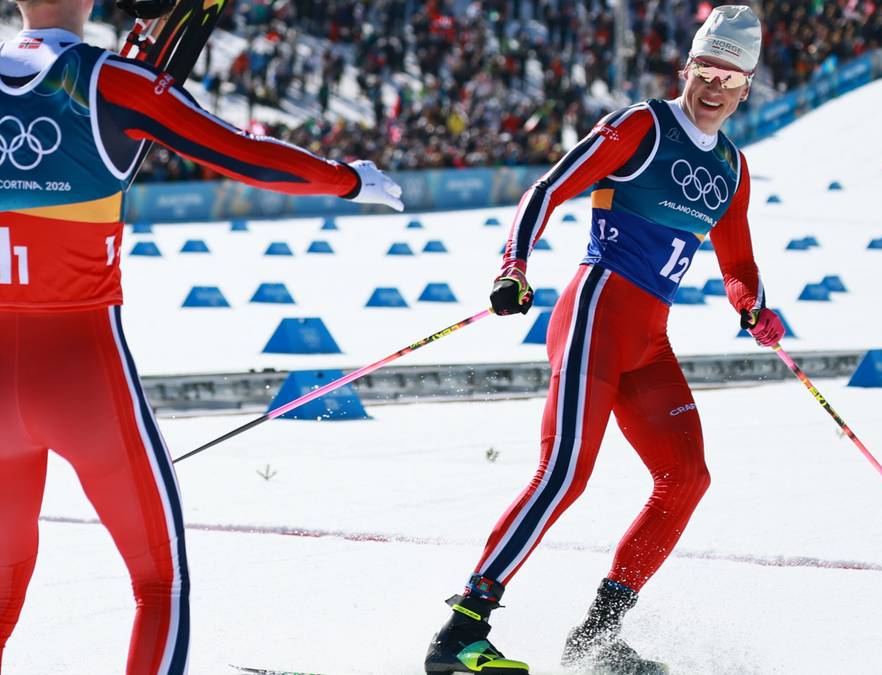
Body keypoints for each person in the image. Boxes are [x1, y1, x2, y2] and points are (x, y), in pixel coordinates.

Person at [0, 0, 404, 672]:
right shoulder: (111, 82)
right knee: (161, 585)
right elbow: (248, 155)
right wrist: (349, 178)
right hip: (82, 369)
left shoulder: (113, 78)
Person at [424, 6, 784, 675]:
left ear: (746, 86)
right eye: (705, 70)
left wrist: (753, 306)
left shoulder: (732, 168)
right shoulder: (643, 125)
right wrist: (514, 266)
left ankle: (597, 636)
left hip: (648, 338)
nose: (713, 87)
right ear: (687, 69)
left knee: (686, 477)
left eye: (728, 77)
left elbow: (737, 265)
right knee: (565, 473)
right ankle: (460, 632)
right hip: (596, 312)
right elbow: (547, 188)